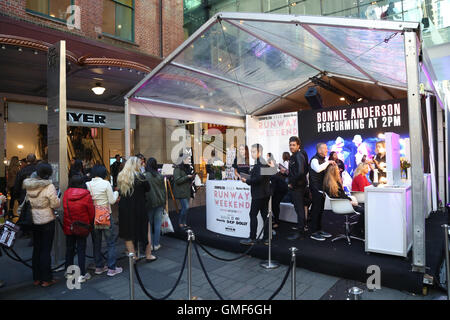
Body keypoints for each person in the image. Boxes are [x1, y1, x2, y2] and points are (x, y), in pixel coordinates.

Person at [23, 163, 60, 287]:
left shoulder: (28, 185)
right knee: (46, 249)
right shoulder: (49, 186)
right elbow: (55, 204)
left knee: (37, 248)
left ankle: (36, 278)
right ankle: (46, 279)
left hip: (33, 219)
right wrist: (58, 199)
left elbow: (27, 201)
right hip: (47, 219)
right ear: (48, 174)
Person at [86, 165, 122, 276]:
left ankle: (99, 267)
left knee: (96, 242)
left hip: (93, 215)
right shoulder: (106, 183)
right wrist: (116, 193)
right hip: (105, 214)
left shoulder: (87, 184)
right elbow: (111, 200)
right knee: (110, 242)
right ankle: (112, 268)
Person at [117, 157, 155, 262]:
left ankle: (133, 256)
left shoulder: (121, 176)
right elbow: (148, 188)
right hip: (140, 207)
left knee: (128, 233)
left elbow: (120, 191)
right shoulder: (141, 177)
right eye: (140, 163)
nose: (141, 165)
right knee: (145, 230)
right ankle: (148, 255)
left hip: (125, 208)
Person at [63, 175, 95, 283]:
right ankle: (81, 274)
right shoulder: (86, 195)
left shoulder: (66, 194)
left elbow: (64, 208)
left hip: (69, 226)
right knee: (81, 249)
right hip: (82, 227)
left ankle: (69, 272)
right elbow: (91, 213)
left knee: (69, 249)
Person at [240, 144, 271, 246]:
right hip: (265, 194)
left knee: (253, 215)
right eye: (252, 151)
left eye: (254, 151)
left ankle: (252, 238)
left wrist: (247, 180)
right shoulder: (264, 163)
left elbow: (258, 179)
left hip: (259, 194)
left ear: (259, 152)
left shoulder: (259, 164)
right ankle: (266, 238)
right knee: (264, 215)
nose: (252, 153)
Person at [324, 163, 364, 237]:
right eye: (337, 170)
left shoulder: (328, 183)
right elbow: (342, 197)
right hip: (344, 205)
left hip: (340, 205)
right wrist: (350, 201)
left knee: (363, 208)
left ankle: (357, 229)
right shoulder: (334, 184)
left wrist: (349, 199)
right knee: (364, 210)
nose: (339, 171)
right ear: (334, 171)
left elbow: (340, 196)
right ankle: (357, 230)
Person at [309, 143, 334, 241]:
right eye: (325, 149)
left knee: (320, 211)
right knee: (315, 211)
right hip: (315, 189)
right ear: (319, 150)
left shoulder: (323, 160)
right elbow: (318, 169)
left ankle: (319, 229)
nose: (327, 150)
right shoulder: (314, 160)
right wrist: (328, 162)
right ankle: (313, 232)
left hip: (321, 189)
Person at [286, 136, 309, 241]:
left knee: (299, 210)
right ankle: (302, 230)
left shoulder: (298, 155)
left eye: (293, 145)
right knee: (299, 209)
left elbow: (301, 172)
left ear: (298, 145)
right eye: (290, 145)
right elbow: (301, 171)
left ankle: (300, 233)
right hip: (300, 186)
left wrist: (292, 182)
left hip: (298, 187)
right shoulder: (295, 155)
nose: (291, 147)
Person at [144, 158, 166, 251]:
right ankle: (156, 244)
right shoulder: (160, 176)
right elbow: (163, 190)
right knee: (157, 224)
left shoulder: (145, 176)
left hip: (149, 203)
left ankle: (149, 245)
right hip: (160, 202)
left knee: (149, 225)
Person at [173, 154, 195, 228]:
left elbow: (186, 178)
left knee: (185, 208)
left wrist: (191, 178)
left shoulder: (187, 168)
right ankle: (180, 222)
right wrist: (187, 177)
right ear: (182, 160)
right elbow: (177, 180)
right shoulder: (177, 168)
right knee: (186, 207)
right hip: (181, 191)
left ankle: (184, 222)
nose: (188, 161)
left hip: (186, 190)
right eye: (187, 159)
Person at [270, 164, 288, 229]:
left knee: (275, 206)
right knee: (274, 206)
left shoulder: (275, 174)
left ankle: (277, 222)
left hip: (279, 191)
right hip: (278, 190)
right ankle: (276, 220)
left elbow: (274, 186)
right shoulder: (274, 173)